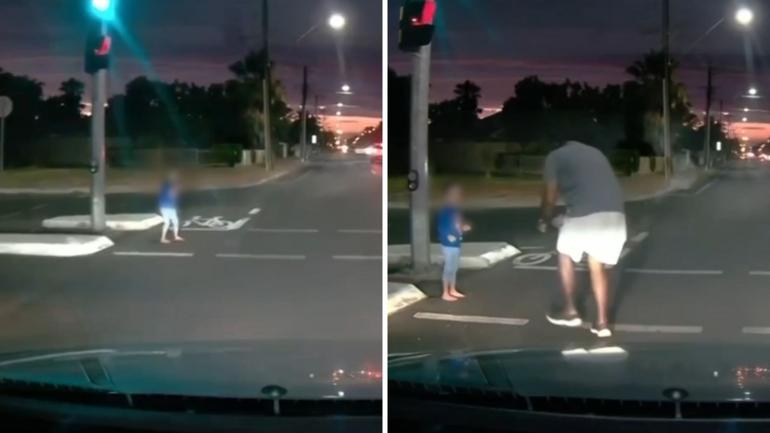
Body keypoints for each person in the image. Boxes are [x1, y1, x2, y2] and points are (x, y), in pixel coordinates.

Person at [539, 140, 626, 338]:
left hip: (586, 217)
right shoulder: (596, 151)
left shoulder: (555, 156)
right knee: (597, 265)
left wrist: (544, 218)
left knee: (564, 253)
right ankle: (602, 323)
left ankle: (570, 311)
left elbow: (550, 194)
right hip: (615, 217)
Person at [437, 183, 472, 302]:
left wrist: (463, 228)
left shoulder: (455, 210)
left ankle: (452, 289)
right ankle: (445, 292)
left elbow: (457, 225)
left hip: (456, 243)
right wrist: (448, 237)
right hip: (448, 244)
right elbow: (443, 227)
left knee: (454, 268)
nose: (457, 196)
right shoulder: (446, 210)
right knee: (448, 268)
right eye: (455, 194)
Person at [159, 172, 184, 244]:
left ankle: (166, 238)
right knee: (173, 222)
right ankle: (170, 237)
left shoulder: (165, 185)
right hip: (169, 207)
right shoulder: (171, 186)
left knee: (169, 222)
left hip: (165, 207)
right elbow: (172, 194)